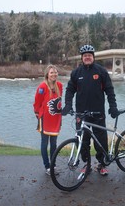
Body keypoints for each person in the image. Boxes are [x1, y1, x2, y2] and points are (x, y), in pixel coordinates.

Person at [62, 44, 118, 176]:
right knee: (83, 140)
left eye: (89, 55)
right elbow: (70, 90)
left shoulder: (101, 71)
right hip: (81, 114)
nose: (87, 57)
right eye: (85, 56)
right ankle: (86, 164)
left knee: (101, 140)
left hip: (98, 113)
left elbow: (109, 90)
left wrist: (113, 106)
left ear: (93, 57)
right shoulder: (76, 73)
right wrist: (68, 105)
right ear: (82, 58)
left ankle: (102, 164)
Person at [33, 64, 63, 175]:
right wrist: (38, 114)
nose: (54, 74)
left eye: (55, 72)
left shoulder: (59, 85)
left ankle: (53, 165)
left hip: (56, 119)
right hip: (44, 119)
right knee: (45, 143)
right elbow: (37, 103)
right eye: (51, 72)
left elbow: (59, 103)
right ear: (47, 74)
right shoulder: (42, 87)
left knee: (54, 144)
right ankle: (47, 167)